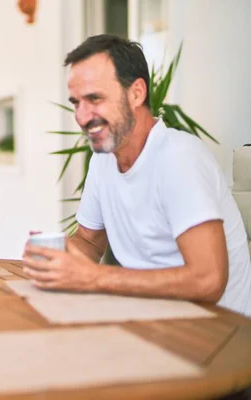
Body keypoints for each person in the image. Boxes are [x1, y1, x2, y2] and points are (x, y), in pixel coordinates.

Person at [23, 35, 251, 316]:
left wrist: (94, 277)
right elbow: (90, 241)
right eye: (76, 102)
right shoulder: (103, 160)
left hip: (218, 333)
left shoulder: (179, 157)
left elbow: (209, 280)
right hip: (152, 318)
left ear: (136, 93)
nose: (82, 117)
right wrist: (53, 256)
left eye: (94, 98)